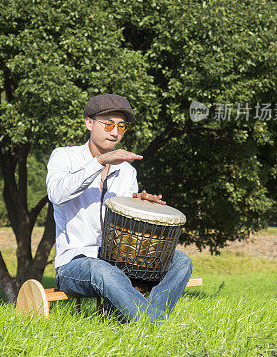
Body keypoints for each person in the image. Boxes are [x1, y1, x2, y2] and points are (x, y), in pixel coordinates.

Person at [46, 93, 193, 322]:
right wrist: (100, 162)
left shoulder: (127, 171)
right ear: (88, 123)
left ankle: (149, 319)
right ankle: (150, 327)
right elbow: (57, 194)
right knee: (103, 271)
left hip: (120, 262)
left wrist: (141, 207)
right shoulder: (64, 157)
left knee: (182, 260)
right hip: (75, 264)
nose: (115, 132)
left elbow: (128, 230)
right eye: (108, 124)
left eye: (121, 126)